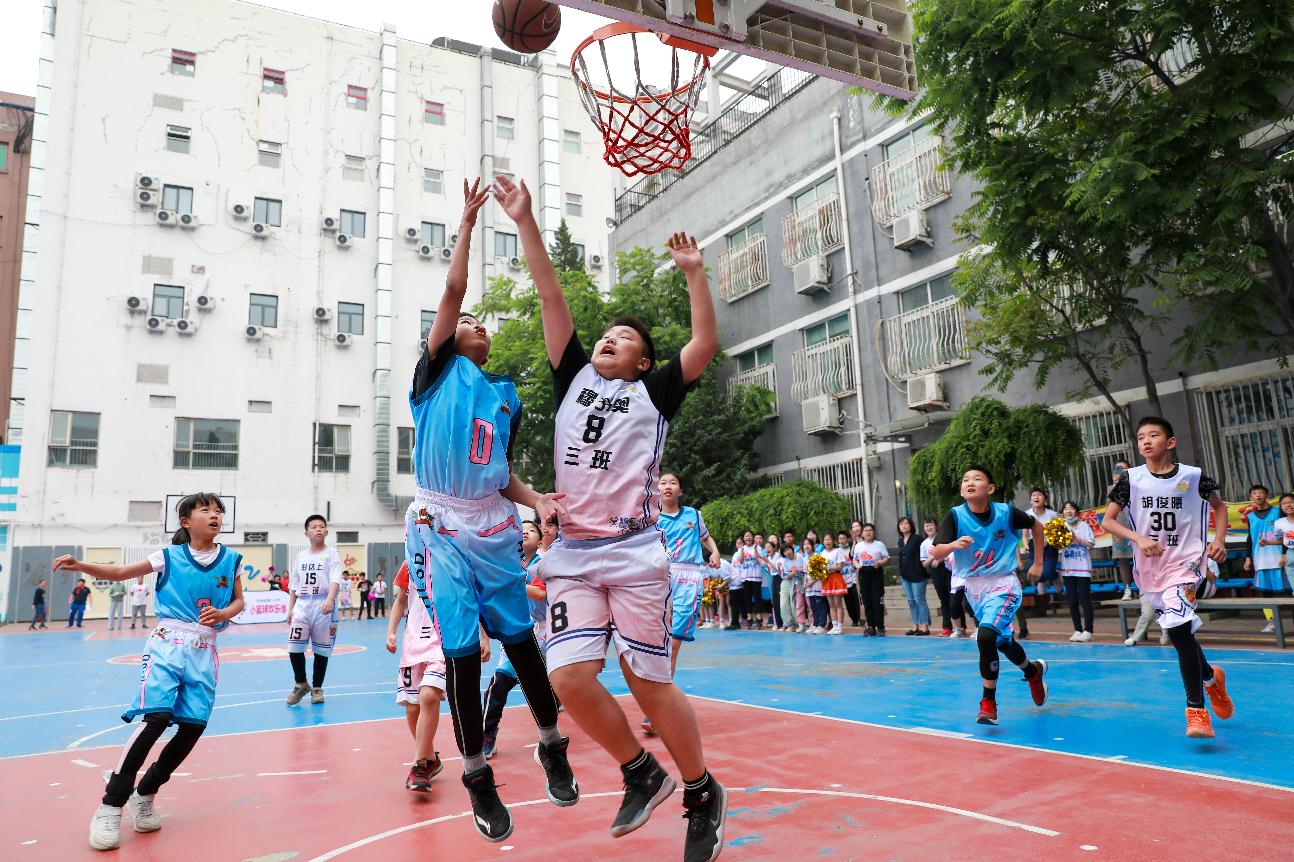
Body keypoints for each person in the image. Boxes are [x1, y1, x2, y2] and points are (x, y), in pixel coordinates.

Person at [497, 170, 726, 862]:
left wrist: (693, 275)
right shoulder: (573, 377)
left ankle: (701, 790)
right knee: (568, 677)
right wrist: (526, 222)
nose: (609, 338)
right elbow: (549, 291)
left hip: (631, 552)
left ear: (644, 360)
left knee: (648, 680)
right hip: (572, 553)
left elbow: (704, 346)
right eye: (607, 334)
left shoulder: (655, 391)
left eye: (624, 337)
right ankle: (639, 770)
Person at [406, 178, 575, 844]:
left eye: (480, 325)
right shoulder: (434, 374)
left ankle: (551, 741)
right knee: (460, 649)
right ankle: (477, 774)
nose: (477, 324)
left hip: (489, 517)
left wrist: (539, 500)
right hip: (439, 521)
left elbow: (500, 476)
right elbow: (451, 293)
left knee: (519, 637)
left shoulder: (501, 399)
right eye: (469, 322)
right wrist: (469, 223)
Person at [52, 493, 244, 851]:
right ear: (186, 522)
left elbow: (238, 600)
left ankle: (146, 793)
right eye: (206, 510)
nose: (215, 515)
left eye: (219, 511)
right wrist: (83, 566)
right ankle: (111, 805)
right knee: (154, 718)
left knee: (192, 727)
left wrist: (225, 613)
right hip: (169, 642)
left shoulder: (231, 560)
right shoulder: (169, 557)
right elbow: (122, 572)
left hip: (204, 648)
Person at [1101, 416, 1233, 738]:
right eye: (1141, 437)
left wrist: (1218, 541)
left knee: (1177, 630)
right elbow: (1108, 521)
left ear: (1170, 442)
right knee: (1180, 635)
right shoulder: (1130, 480)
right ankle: (1212, 680)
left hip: (1187, 564)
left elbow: (1220, 508)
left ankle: (1196, 711)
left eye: (1154, 435)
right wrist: (1138, 538)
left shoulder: (1193, 477)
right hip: (1152, 568)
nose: (1146, 441)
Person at [929, 466, 1050, 726]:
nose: (970, 483)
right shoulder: (955, 516)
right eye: (965, 480)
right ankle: (1033, 671)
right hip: (974, 588)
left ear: (991, 488)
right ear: (962, 490)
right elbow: (936, 552)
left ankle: (988, 703)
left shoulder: (1005, 512)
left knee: (984, 636)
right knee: (1000, 642)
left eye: (977, 479)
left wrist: (1037, 562)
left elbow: (1037, 527)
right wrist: (952, 545)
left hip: (1003, 583)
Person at [482, 519, 555, 755]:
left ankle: (550, 732)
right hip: (517, 629)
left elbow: (540, 594)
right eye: (520, 530)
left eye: (531, 530)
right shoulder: (505, 564)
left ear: (540, 539)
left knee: (546, 686)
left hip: (544, 631)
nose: (525, 533)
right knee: (499, 683)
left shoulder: (541, 564)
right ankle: (487, 734)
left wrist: (512, 583)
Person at [385, 560, 452, 792]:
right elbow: (401, 599)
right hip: (413, 642)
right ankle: (430, 757)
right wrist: (391, 631)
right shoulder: (409, 562)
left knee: (429, 696)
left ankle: (419, 764)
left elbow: (471, 598)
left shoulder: (452, 555)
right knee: (412, 707)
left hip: (443, 640)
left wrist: (483, 636)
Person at [284, 515, 343, 705]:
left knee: (321, 650)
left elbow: (335, 578)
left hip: (323, 605)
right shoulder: (301, 556)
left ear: (326, 531)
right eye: (314, 526)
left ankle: (317, 687)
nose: (318, 529)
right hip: (303, 604)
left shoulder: (332, 553)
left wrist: (330, 599)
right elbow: (294, 584)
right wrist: (291, 608)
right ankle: (301, 683)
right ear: (306, 533)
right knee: (294, 647)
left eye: (321, 526)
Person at [1243, 483, 1286, 633]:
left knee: (1286, 592)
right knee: (1265, 592)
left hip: (1280, 558)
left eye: (1261, 492)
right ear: (1251, 497)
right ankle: (1271, 622)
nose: (1258, 495)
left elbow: (1287, 534)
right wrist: (1248, 558)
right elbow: (1250, 538)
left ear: (1267, 495)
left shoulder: (1278, 512)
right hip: (1260, 559)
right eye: (1255, 493)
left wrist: (1285, 554)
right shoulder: (1250, 517)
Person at [1057, 501, 1096, 642]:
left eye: (1071, 508)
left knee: (1085, 599)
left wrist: (1076, 538)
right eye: (1065, 508)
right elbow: (1059, 547)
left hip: (1083, 569)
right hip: (1067, 569)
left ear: (1077, 512)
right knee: (1072, 601)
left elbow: (1091, 544)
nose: (1068, 510)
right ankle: (1077, 629)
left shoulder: (1084, 526)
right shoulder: (1061, 527)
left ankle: (1089, 630)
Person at [921, 517, 962, 637]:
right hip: (935, 573)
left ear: (936, 526)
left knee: (954, 599)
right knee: (943, 600)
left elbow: (950, 553)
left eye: (931, 525)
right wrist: (934, 557)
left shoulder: (944, 538)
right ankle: (947, 627)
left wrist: (938, 559)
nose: (929, 528)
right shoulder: (924, 544)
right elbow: (924, 563)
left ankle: (961, 627)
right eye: (926, 526)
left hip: (949, 570)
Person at [1106, 460, 1137, 600]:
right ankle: (1127, 588)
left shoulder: (1136, 486)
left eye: (1123, 469)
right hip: (1118, 528)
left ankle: (1143, 588)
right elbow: (1109, 511)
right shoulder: (1110, 489)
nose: (1119, 472)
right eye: (1117, 469)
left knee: (1140, 558)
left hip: (1135, 527)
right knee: (1123, 560)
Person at [852, 523, 890, 636]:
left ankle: (880, 627)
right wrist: (858, 566)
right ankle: (871, 626)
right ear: (862, 533)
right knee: (867, 602)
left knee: (877, 601)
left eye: (870, 530)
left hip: (876, 574)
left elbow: (887, 558)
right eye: (866, 531)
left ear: (874, 532)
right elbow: (854, 559)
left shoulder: (879, 544)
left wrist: (879, 563)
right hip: (863, 574)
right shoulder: (859, 546)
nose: (868, 532)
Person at [896, 516, 930, 636]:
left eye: (906, 523)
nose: (903, 526)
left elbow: (924, 554)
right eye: (901, 524)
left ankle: (924, 627)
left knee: (919, 600)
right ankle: (915, 626)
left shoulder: (917, 538)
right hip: (905, 576)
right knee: (911, 601)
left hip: (918, 574)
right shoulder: (900, 541)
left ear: (911, 525)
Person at [732, 531, 762, 629]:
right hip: (745, 576)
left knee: (757, 597)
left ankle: (758, 618)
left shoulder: (758, 547)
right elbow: (740, 561)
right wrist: (741, 551)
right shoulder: (742, 549)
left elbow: (759, 560)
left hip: (756, 576)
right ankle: (749, 618)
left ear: (752, 537)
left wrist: (755, 550)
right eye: (746, 536)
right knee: (747, 598)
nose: (748, 537)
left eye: (749, 536)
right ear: (744, 538)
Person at [820, 532, 847, 634]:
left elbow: (840, 566)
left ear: (833, 541)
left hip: (836, 578)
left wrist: (830, 568)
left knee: (838, 604)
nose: (827, 541)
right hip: (826, 579)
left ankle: (840, 626)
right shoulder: (822, 553)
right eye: (825, 540)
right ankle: (834, 625)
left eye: (829, 539)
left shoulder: (838, 551)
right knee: (831, 604)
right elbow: (820, 568)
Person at [838, 531, 862, 627]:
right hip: (843, 581)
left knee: (855, 600)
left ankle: (858, 618)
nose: (842, 540)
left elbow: (854, 556)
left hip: (853, 579)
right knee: (848, 602)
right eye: (840, 538)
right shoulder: (837, 551)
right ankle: (853, 619)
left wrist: (854, 541)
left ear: (847, 539)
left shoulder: (852, 548)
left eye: (843, 538)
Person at [1275, 493, 1294, 604]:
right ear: (1281, 506)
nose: (1288, 505)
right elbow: (1281, 540)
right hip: (1290, 553)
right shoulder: (1279, 523)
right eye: (1284, 503)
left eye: (1291, 502)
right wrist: (1267, 542)